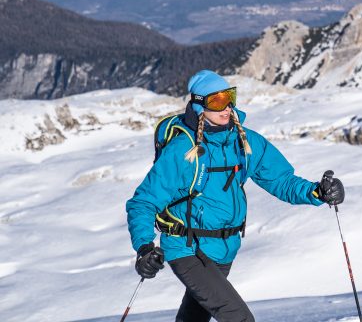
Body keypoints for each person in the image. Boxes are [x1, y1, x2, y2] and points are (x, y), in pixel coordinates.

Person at [126, 70, 344, 322]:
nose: (226, 107)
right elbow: (143, 202)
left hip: (224, 249)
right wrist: (144, 247)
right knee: (239, 318)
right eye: (216, 101)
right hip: (186, 248)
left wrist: (317, 191)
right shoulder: (182, 150)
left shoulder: (244, 141)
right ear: (199, 106)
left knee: (194, 318)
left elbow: (280, 180)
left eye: (229, 97)